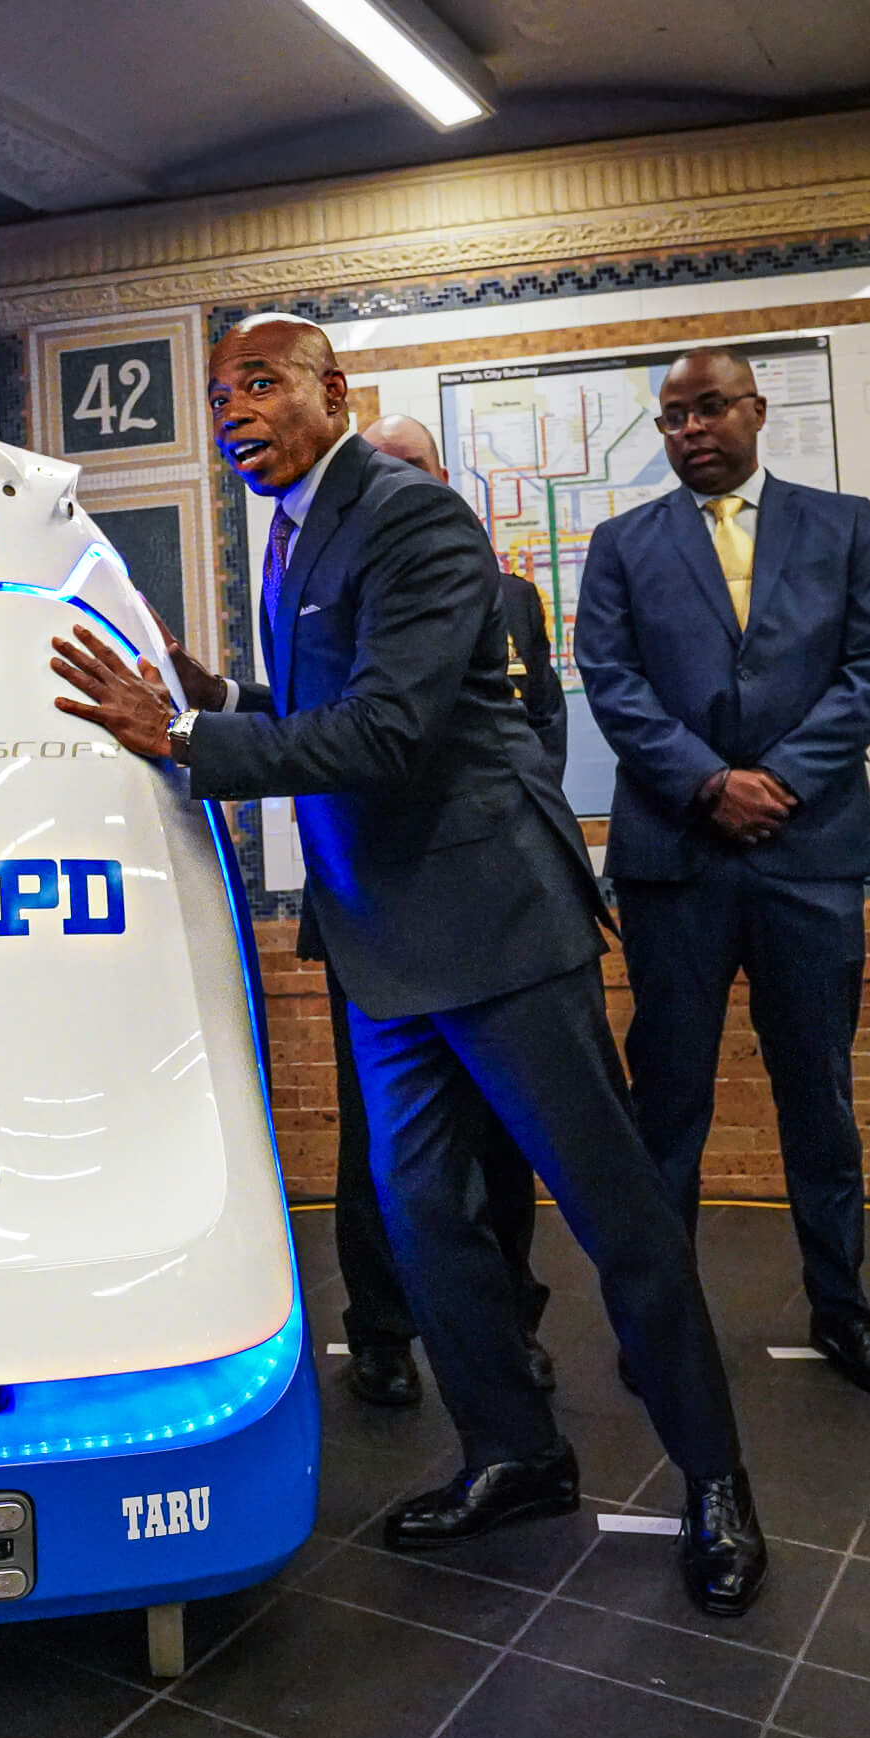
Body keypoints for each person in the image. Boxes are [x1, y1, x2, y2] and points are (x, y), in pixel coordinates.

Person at [49, 313, 767, 1616]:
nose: (233, 410)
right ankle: (514, 1451)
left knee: (618, 1217)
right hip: (384, 943)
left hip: (493, 926)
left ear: (337, 391)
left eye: (260, 383)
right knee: (426, 1219)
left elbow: (387, 732)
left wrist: (192, 739)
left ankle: (717, 1478)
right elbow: (321, 708)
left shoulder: (413, 518)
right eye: (220, 394)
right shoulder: (293, 531)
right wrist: (208, 691)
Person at [575, 348, 870, 1403]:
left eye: (708, 407)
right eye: (671, 415)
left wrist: (772, 777)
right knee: (667, 1104)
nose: (689, 429)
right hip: (673, 864)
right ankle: (658, 1325)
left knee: (815, 1094)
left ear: (755, 410)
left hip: (807, 855)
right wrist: (704, 782)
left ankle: (841, 1311)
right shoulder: (620, 543)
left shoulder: (843, 523)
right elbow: (610, 679)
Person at [310, 413, 563, 1409]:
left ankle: (510, 1328)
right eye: (377, 470)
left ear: (443, 480)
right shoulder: (323, 600)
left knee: (505, 1137)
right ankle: (379, 1328)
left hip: (491, 912)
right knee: (379, 1143)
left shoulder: (512, 601)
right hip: (372, 908)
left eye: (410, 468)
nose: (394, 487)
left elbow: (534, 730)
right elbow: (323, 735)